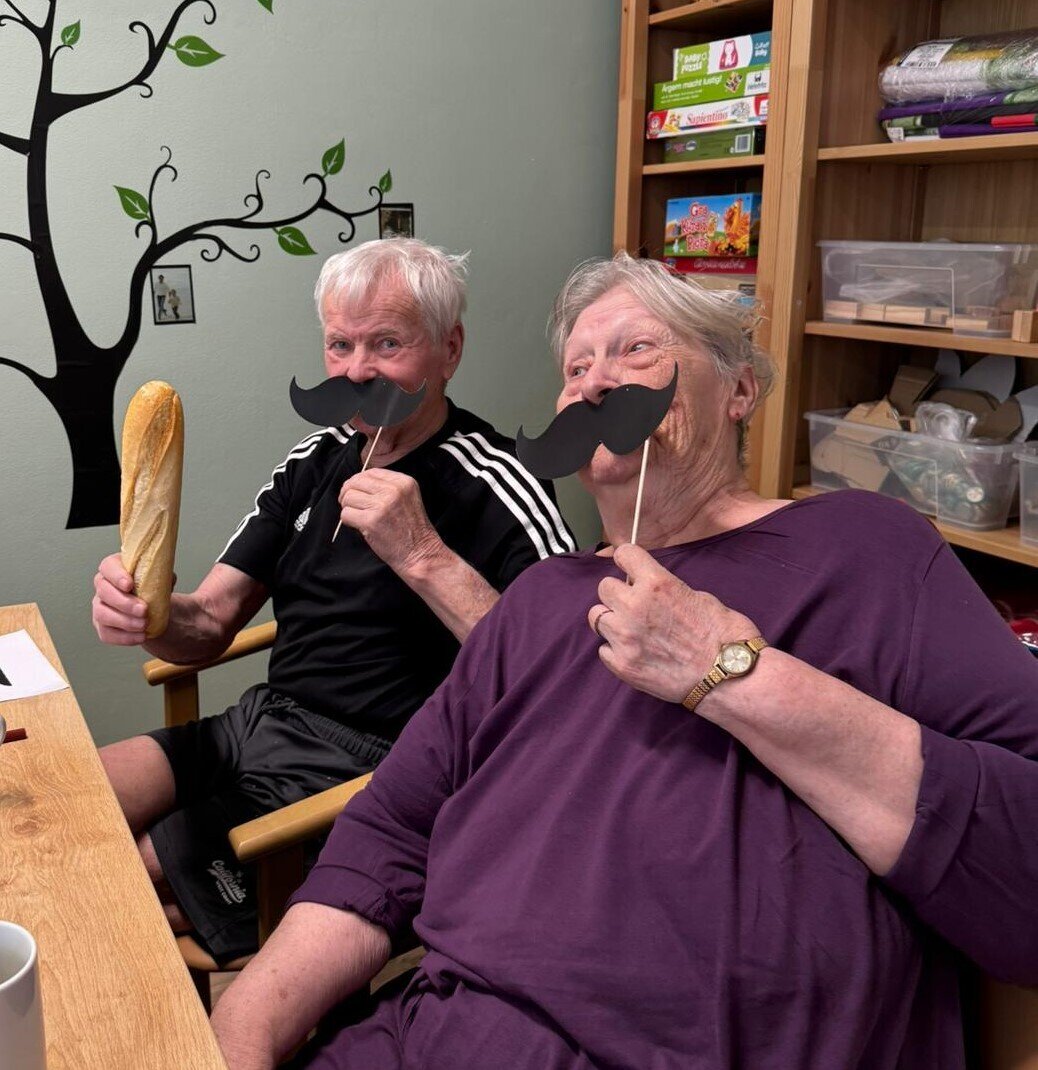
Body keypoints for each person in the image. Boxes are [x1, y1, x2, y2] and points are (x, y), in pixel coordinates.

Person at [211, 252, 1038, 1070]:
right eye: (576, 369)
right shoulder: (538, 603)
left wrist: (730, 670)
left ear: (740, 389)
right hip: (432, 1037)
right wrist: (244, 1025)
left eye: (637, 350)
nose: (595, 385)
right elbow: (387, 834)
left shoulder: (864, 548)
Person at [91, 238, 574, 965]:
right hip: (258, 722)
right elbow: (211, 621)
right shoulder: (314, 460)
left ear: (450, 349)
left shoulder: (502, 480)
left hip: (373, 764)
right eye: (340, 345)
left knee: (126, 882)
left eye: (387, 344)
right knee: (72, 801)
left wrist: (422, 553)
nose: (356, 371)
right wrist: (148, 615)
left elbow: (561, 678)